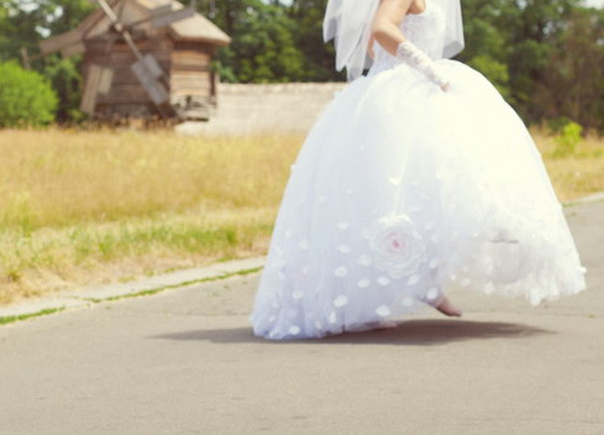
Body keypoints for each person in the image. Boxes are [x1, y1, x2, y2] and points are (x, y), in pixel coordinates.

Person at [250, 0, 585, 340]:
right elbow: (380, 31)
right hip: (402, 92)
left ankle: (426, 282)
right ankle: (389, 293)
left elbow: (374, 40)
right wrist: (425, 67)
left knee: (424, 192)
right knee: (387, 199)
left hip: (415, 87)